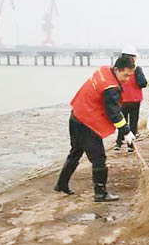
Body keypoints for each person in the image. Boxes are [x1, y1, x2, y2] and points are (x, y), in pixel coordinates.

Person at [54, 56, 136, 202]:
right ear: (117, 70)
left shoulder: (104, 70)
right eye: (125, 75)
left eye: (130, 75)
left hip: (76, 115)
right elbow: (114, 113)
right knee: (99, 158)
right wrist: (127, 131)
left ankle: (61, 184)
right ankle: (100, 193)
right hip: (87, 122)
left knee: (76, 151)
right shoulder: (111, 87)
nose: (128, 79)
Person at [115, 45, 149, 152]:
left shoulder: (118, 69)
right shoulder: (136, 69)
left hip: (122, 100)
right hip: (134, 100)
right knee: (133, 123)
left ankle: (119, 143)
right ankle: (130, 146)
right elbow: (142, 83)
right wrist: (147, 83)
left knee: (122, 122)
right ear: (132, 57)